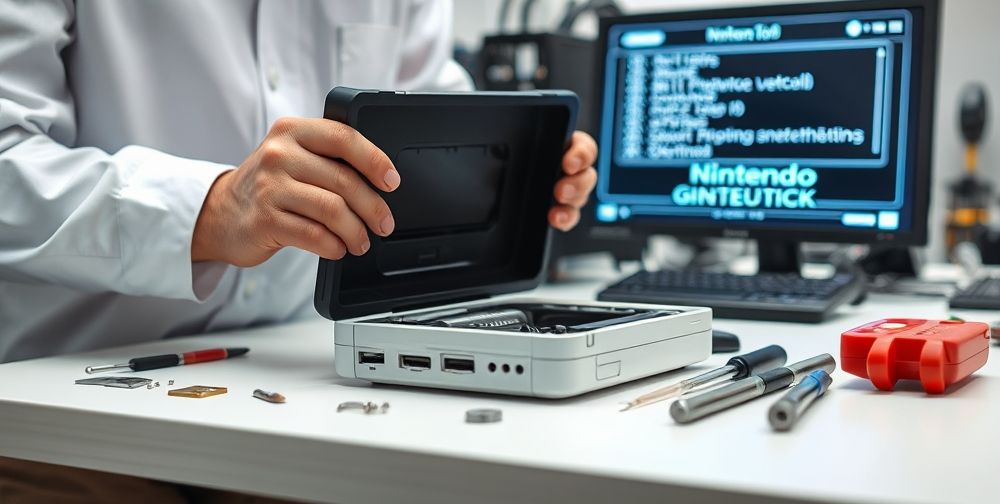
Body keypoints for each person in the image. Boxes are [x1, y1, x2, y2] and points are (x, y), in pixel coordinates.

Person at [0, 1, 597, 502]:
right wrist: (212, 210)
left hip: (303, 393)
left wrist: (510, 175)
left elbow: (430, 106)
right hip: (67, 406)